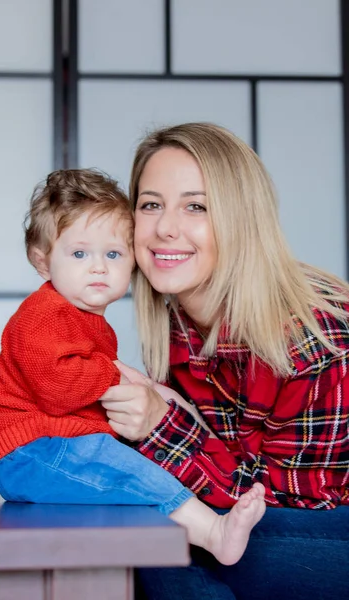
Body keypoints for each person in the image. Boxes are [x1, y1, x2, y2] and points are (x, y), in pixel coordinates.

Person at [99, 123, 349, 600]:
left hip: (321, 520)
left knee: (199, 543)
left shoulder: (314, 335)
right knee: (156, 534)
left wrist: (164, 425)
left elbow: (293, 502)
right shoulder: (181, 325)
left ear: (240, 219)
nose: (165, 227)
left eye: (196, 206)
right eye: (151, 204)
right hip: (263, 519)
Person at [0, 168, 266, 567]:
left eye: (112, 254)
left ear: (131, 262)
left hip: (54, 445)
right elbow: (59, 388)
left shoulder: (85, 319)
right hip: (30, 449)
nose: (98, 267)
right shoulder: (43, 316)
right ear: (43, 263)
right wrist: (116, 375)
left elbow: (90, 380)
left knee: (131, 476)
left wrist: (133, 384)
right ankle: (213, 533)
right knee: (133, 473)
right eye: (79, 254)